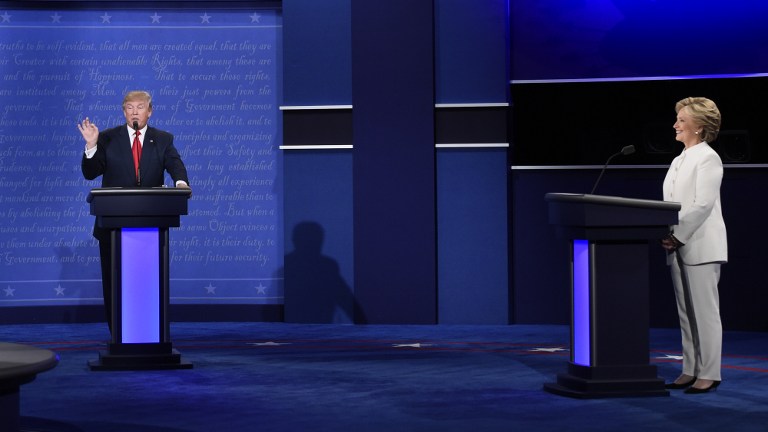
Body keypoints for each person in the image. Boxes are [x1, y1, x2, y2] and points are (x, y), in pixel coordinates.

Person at [77, 90, 191, 333]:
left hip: (151, 223)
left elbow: (175, 165)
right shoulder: (107, 138)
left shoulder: (163, 139)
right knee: (114, 281)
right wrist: (91, 145)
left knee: (147, 283)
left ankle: (150, 334)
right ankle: (117, 334)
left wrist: (180, 182)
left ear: (150, 111)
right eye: (130, 108)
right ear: (123, 111)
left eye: (140, 107)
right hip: (112, 225)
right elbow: (91, 173)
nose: (135, 112)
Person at [661, 97, 727, 394]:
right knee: (686, 313)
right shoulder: (678, 159)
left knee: (704, 313)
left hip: (700, 246)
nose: (676, 124)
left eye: (682, 120)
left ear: (699, 127)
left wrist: (678, 235)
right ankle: (690, 368)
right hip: (677, 245)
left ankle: (709, 372)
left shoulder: (708, 157)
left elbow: (702, 204)